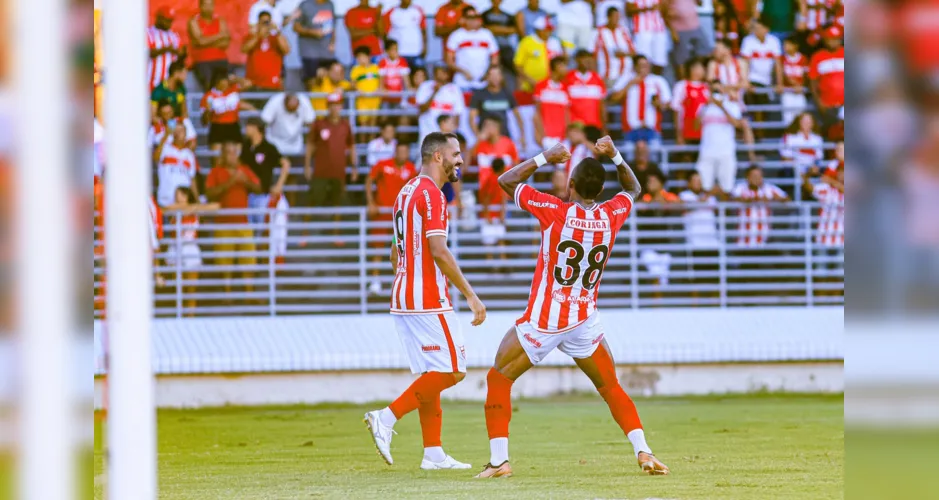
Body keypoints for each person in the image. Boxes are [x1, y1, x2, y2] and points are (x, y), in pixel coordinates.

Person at [474, 137, 670, 479]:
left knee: (498, 377)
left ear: (572, 185)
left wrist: (545, 158)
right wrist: (617, 156)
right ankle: (644, 451)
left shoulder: (555, 211)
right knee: (610, 387)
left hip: (546, 319)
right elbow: (634, 188)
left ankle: (499, 462)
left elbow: (506, 181)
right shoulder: (612, 214)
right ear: (602, 189)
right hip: (583, 319)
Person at [363, 132, 486, 470]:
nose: (460, 160)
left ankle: (433, 453)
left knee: (432, 372)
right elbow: (438, 250)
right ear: (437, 157)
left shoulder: (405, 191)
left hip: (403, 295)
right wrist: (471, 296)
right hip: (427, 297)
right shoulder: (433, 195)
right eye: (456, 154)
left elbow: (395, 249)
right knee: (453, 369)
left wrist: (405, 276)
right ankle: (385, 418)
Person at [205, 141, 263, 295]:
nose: (232, 155)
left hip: (243, 222)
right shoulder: (215, 172)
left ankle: (249, 293)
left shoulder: (244, 170)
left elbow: (259, 188)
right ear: (222, 155)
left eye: (234, 152)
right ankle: (227, 293)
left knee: (249, 258)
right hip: (222, 223)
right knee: (224, 260)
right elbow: (209, 193)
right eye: (228, 152)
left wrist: (245, 181)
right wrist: (230, 182)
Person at [365, 142, 416, 294]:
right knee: (378, 247)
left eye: (404, 152)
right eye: (399, 151)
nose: (402, 154)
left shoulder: (411, 168)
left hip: (401, 216)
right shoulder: (383, 164)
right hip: (382, 214)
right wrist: (371, 202)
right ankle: (375, 281)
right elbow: (369, 181)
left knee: (403, 248)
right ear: (395, 151)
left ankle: (404, 282)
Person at [162, 187, 220, 315]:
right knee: (178, 287)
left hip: (190, 249)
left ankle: (190, 316)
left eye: (182, 194)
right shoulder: (172, 210)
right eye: (177, 194)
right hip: (175, 249)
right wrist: (182, 209)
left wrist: (194, 208)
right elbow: (163, 210)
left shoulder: (194, 209)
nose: (179, 197)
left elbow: (216, 206)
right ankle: (179, 314)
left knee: (191, 288)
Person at [514, 16, 567, 151]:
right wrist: (531, 81)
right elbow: (518, 65)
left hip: (550, 89)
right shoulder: (527, 42)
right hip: (529, 89)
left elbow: (559, 63)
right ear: (538, 30)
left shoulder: (554, 43)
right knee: (531, 121)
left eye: (550, 30)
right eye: (545, 30)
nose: (548, 33)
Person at [305, 93, 356, 208]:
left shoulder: (345, 125)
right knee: (314, 199)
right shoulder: (319, 124)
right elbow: (310, 145)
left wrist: (354, 167)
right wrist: (307, 165)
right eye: (332, 105)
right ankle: (306, 225)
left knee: (337, 201)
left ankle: (336, 226)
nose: (334, 108)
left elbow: (352, 146)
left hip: (338, 171)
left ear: (341, 106)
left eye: (337, 105)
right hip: (320, 171)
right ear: (327, 107)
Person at [694, 80, 745, 195]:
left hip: (726, 152)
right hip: (707, 151)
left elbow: (737, 124)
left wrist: (721, 106)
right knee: (705, 187)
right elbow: (696, 126)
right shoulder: (704, 107)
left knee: (727, 188)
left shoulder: (732, 105)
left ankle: (725, 212)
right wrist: (707, 105)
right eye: (714, 90)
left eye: (718, 89)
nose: (716, 92)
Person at [241, 117, 291, 229]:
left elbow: (286, 164)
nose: (245, 129)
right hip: (246, 194)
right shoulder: (245, 147)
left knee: (263, 230)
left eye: (248, 126)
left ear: (256, 128)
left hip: (263, 195)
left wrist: (279, 185)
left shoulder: (268, 148)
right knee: (248, 230)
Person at [609, 55, 672, 145]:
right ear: (635, 67)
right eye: (642, 65)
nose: (645, 68)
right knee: (628, 158)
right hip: (630, 128)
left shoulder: (658, 80)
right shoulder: (626, 78)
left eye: (647, 65)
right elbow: (614, 98)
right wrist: (630, 84)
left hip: (652, 128)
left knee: (654, 157)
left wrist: (658, 104)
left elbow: (668, 104)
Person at [730, 165, 789, 248]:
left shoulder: (769, 188)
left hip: (764, 238)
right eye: (754, 176)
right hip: (743, 239)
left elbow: (787, 198)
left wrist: (774, 198)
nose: (757, 178)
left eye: (759, 176)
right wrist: (751, 200)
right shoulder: (740, 188)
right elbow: (733, 198)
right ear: (747, 177)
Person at [739, 16, 783, 126]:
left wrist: (779, 83)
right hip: (753, 79)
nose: (756, 31)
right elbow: (745, 63)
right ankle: (758, 133)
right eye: (755, 28)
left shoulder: (774, 41)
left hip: (767, 80)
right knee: (756, 106)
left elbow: (778, 64)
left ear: (766, 29)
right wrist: (746, 81)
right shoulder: (748, 41)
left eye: (759, 28)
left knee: (764, 109)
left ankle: (760, 132)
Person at [469, 66, 525, 150]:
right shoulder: (479, 94)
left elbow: (518, 116)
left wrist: (522, 136)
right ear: (487, 77)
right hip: (486, 136)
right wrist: (478, 135)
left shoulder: (507, 94)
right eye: (492, 75)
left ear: (501, 77)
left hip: (504, 134)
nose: (495, 78)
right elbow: (471, 118)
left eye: (497, 75)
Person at [445, 6, 499, 93]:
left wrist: (488, 73)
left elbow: (495, 57)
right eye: (471, 17)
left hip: (483, 83)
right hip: (462, 83)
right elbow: (449, 61)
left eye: (477, 17)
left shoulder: (487, 34)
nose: (475, 20)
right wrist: (464, 72)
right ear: (463, 19)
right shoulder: (456, 35)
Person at [201, 71, 255, 155]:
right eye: (224, 80)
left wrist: (236, 79)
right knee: (217, 159)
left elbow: (249, 83)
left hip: (233, 126)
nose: (226, 83)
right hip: (217, 127)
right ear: (217, 82)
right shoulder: (208, 96)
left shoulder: (233, 89)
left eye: (227, 80)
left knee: (237, 157)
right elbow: (204, 122)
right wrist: (208, 111)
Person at [154, 121, 200, 207]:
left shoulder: (189, 154)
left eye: (181, 131)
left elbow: (192, 179)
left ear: (186, 134)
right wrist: (166, 135)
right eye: (176, 130)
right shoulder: (165, 148)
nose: (178, 133)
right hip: (166, 200)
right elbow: (155, 158)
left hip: (184, 201)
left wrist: (197, 201)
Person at [808, 25, 844, 135]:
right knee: (830, 134)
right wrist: (819, 102)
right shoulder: (817, 57)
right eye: (831, 39)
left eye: (836, 39)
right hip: (828, 104)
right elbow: (813, 81)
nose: (834, 42)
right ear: (825, 40)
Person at [415, 66, 466, 144]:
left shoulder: (455, 89)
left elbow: (457, 115)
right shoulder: (425, 86)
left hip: (446, 137)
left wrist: (451, 135)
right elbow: (421, 109)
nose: (439, 75)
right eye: (437, 72)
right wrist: (434, 92)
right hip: (427, 135)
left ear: (447, 75)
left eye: (443, 72)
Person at [188, 0, 231, 91]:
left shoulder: (220, 20)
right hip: (203, 61)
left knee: (226, 87)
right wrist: (220, 35)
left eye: (211, 4)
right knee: (209, 88)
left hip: (221, 59)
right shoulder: (194, 21)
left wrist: (204, 40)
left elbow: (225, 43)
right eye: (206, 5)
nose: (209, 8)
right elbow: (200, 42)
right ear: (200, 6)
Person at [242, 11, 290, 91]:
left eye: (267, 22)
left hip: (273, 83)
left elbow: (286, 50)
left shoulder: (276, 38)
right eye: (263, 22)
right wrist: (258, 35)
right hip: (254, 83)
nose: (265, 25)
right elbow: (245, 49)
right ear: (258, 23)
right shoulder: (252, 37)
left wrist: (277, 31)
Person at [664, 0, 712, 80]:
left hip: (695, 27)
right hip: (679, 30)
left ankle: (699, 78)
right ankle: (683, 82)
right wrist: (672, 31)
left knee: (704, 53)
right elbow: (664, 12)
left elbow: (700, 4)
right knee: (681, 58)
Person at [293, 0, 337, 88]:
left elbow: (332, 27)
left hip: (326, 53)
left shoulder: (330, 5)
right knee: (312, 82)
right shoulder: (305, 5)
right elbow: (296, 27)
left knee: (328, 82)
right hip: (310, 53)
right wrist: (312, 32)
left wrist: (332, 43)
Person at [803, 161, 844, 248]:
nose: (842, 174)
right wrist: (808, 175)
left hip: (843, 237)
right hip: (825, 234)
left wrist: (832, 181)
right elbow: (809, 188)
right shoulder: (827, 189)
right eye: (840, 172)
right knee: (821, 260)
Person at [261, 92, 315, 156]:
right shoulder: (275, 101)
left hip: (296, 146)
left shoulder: (304, 101)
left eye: (294, 109)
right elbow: (265, 121)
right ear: (284, 103)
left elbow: (311, 123)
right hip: (274, 144)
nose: (292, 111)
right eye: (290, 109)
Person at [533, 56, 571, 149]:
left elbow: (567, 113)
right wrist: (539, 134)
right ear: (556, 67)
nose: (566, 69)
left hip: (562, 138)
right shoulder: (541, 86)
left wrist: (567, 135)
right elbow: (537, 112)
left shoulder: (566, 87)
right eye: (563, 66)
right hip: (545, 137)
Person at [592, 7, 635, 87]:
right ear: (608, 17)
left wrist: (624, 54)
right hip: (608, 76)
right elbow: (592, 54)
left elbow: (634, 52)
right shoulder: (598, 31)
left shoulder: (624, 30)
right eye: (615, 17)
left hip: (626, 76)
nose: (617, 19)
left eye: (618, 17)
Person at [671, 58, 710, 148]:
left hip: (704, 132)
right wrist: (678, 134)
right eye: (701, 68)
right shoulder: (681, 86)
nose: (703, 71)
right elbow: (676, 110)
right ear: (692, 69)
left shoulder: (707, 87)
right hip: (686, 130)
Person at [565, 50, 607, 131]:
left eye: (590, 60)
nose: (588, 62)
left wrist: (604, 127)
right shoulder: (568, 78)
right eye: (585, 59)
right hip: (575, 126)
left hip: (594, 126)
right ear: (577, 60)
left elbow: (602, 105)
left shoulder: (597, 79)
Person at [473, 116, 519, 190]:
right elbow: (471, 157)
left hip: (505, 189)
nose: (486, 129)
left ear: (497, 127)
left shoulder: (508, 143)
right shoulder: (480, 144)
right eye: (485, 126)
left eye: (489, 125)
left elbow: (516, 165)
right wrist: (479, 140)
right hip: (486, 191)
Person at [678, 171, 720, 249]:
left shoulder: (711, 198)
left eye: (700, 180)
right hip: (694, 242)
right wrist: (709, 194)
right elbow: (685, 206)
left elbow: (720, 211)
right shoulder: (684, 195)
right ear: (689, 183)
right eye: (695, 181)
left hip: (712, 242)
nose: (698, 183)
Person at [147, 6, 184, 92]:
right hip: (152, 80)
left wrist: (179, 52)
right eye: (167, 20)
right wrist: (166, 49)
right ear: (159, 18)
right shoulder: (148, 32)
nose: (169, 23)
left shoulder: (174, 35)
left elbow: (181, 52)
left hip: (169, 82)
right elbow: (148, 53)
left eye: (171, 20)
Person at [382, 0, 428, 69]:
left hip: (416, 51)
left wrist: (425, 47)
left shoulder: (418, 10)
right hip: (399, 53)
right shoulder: (392, 12)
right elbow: (384, 33)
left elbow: (423, 30)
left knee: (418, 76)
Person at [626, 0, 669, 74]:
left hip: (659, 29)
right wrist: (648, 8)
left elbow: (665, 9)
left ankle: (656, 80)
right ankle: (643, 81)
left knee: (660, 60)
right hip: (642, 30)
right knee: (643, 60)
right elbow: (629, 10)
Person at [477, 157, 508, 255]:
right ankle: (495, 265)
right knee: (492, 241)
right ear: (502, 168)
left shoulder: (496, 179)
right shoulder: (494, 179)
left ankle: (499, 265)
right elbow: (486, 198)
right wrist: (487, 216)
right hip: (491, 215)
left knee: (498, 240)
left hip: (495, 214)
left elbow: (502, 198)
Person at [350, 46, 382, 138]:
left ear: (369, 57)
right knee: (363, 126)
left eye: (362, 56)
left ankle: (371, 148)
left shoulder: (376, 68)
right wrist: (358, 90)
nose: (360, 59)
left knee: (373, 125)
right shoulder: (356, 69)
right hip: (362, 101)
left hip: (374, 100)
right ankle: (363, 148)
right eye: (358, 57)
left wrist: (379, 89)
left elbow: (381, 81)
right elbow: (352, 84)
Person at [377, 39, 412, 115]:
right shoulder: (383, 62)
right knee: (384, 117)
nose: (395, 52)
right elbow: (381, 78)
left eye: (396, 49)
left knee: (399, 116)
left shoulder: (402, 61)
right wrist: (382, 88)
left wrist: (409, 87)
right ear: (387, 51)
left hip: (399, 96)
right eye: (393, 49)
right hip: (386, 96)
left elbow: (406, 79)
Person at [780, 35, 810, 126]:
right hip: (787, 91)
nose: (785, 47)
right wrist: (793, 83)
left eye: (788, 44)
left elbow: (807, 76)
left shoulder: (803, 59)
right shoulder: (782, 59)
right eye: (784, 45)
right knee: (788, 117)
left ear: (795, 46)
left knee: (800, 115)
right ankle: (789, 137)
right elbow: (781, 74)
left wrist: (802, 85)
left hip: (800, 92)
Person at [481, 0, 517, 72]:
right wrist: (504, 30)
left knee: (514, 67)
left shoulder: (507, 16)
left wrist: (494, 29)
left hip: (505, 46)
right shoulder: (484, 15)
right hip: (489, 47)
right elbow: (483, 29)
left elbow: (514, 30)